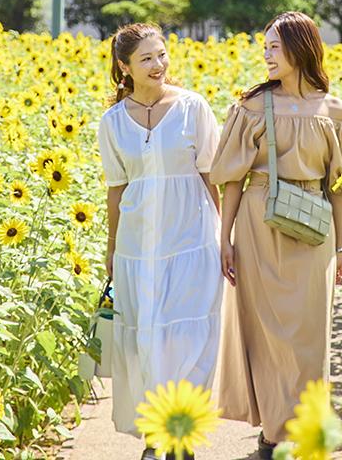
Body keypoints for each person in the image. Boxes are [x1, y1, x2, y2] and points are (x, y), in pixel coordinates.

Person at [210, 11, 342, 458]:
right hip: (259, 225)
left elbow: (340, 189)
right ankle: (275, 434)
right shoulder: (253, 105)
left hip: (314, 230)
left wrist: (341, 247)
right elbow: (233, 179)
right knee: (266, 334)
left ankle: (303, 423)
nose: (267, 55)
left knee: (309, 337)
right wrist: (226, 239)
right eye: (265, 47)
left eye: (274, 47)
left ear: (301, 48)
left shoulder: (335, 111)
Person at [98, 23, 224, 460]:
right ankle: (156, 436)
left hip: (192, 240)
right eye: (147, 58)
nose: (158, 65)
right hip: (137, 247)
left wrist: (225, 238)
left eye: (162, 54)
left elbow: (213, 177)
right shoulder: (112, 122)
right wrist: (111, 249)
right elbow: (116, 188)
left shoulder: (193, 108)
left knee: (191, 337)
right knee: (145, 339)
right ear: (125, 67)